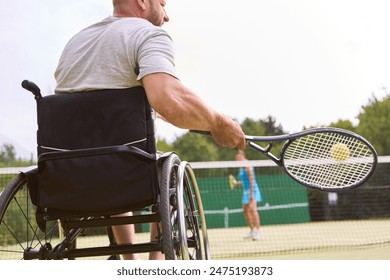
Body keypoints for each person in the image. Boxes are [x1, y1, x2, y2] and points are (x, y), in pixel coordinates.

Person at [54, 0, 246, 259]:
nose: (166, 16)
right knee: (163, 166)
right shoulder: (147, 33)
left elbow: (92, 108)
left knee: (113, 160)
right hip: (127, 172)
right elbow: (168, 98)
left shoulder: (76, 42)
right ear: (143, 2)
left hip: (68, 174)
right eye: (163, 3)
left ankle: (129, 262)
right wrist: (219, 123)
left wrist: (148, 109)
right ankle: (155, 266)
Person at [234, 149, 261, 241]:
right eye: (236, 158)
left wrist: (251, 194)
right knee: (245, 211)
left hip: (252, 190)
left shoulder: (247, 165)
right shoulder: (241, 166)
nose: (237, 159)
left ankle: (257, 233)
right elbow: (244, 181)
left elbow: (251, 180)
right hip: (246, 191)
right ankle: (252, 230)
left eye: (239, 157)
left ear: (243, 156)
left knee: (253, 209)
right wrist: (237, 183)